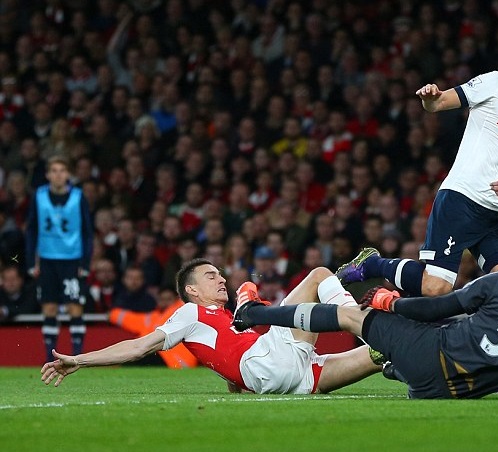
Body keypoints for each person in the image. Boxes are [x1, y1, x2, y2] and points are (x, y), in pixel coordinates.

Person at [336, 32, 498, 299]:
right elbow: (439, 103)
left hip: (496, 213)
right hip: (460, 200)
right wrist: (430, 97)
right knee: (435, 287)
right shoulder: (495, 83)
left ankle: (469, 321)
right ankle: (371, 264)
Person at [234, 236, 498, 399]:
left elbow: (435, 307)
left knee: (352, 315)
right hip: (446, 394)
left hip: (427, 360)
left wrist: (390, 302)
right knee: (432, 334)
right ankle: (393, 366)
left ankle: (255, 313)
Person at [40, 258, 382, 394]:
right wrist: (79, 359)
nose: (220, 280)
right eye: (210, 276)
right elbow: (139, 346)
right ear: (192, 291)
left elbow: (231, 366)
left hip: (293, 378)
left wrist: (238, 384)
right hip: (272, 361)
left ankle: (406, 350)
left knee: (382, 353)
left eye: (220, 274)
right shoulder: (191, 312)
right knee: (319, 275)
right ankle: (361, 317)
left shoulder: (226, 321)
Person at [25, 156, 94, 362]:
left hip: (72, 259)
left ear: (68, 174)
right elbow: (31, 229)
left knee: (74, 306)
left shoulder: (78, 196)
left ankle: (77, 356)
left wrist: (85, 262)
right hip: (47, 259)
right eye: (54, 170)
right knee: (49, 307)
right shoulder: (39, 196)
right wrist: (31, 261)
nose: (58, 175)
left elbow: (87, 232)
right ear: (47, 174)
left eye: (62, 170)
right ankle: (50, 358)